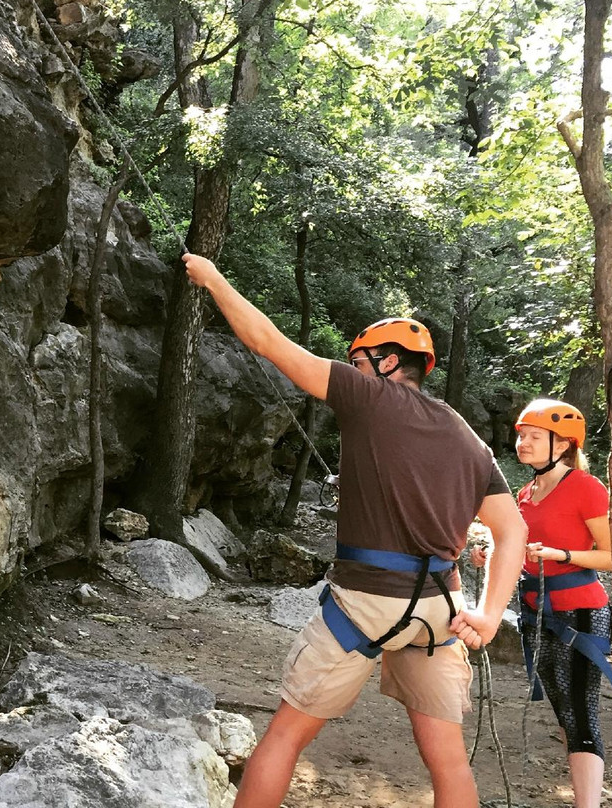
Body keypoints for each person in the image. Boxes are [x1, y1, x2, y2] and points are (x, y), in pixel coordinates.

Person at [181, 253, 527, 808]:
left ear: (389, 362)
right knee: (449, 761)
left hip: (364, 605)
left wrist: (213, 277)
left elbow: (269, 343)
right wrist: (488, 614)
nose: (354, 368)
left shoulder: (369, 395)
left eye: (360, 360)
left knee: (286, 736)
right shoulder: (468, 438)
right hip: (443, 609)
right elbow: (512, 531)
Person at [473, 399, 612, 808]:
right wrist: (491, 552)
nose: (523, 443)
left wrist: (561, 555)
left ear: (564, 445)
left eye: (535, 437)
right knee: (564, 710)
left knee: (581, 712)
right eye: (521, 436)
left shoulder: (586, 487)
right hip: (539, 614)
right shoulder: (526, 492)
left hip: (581, 613)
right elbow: (517, 549)